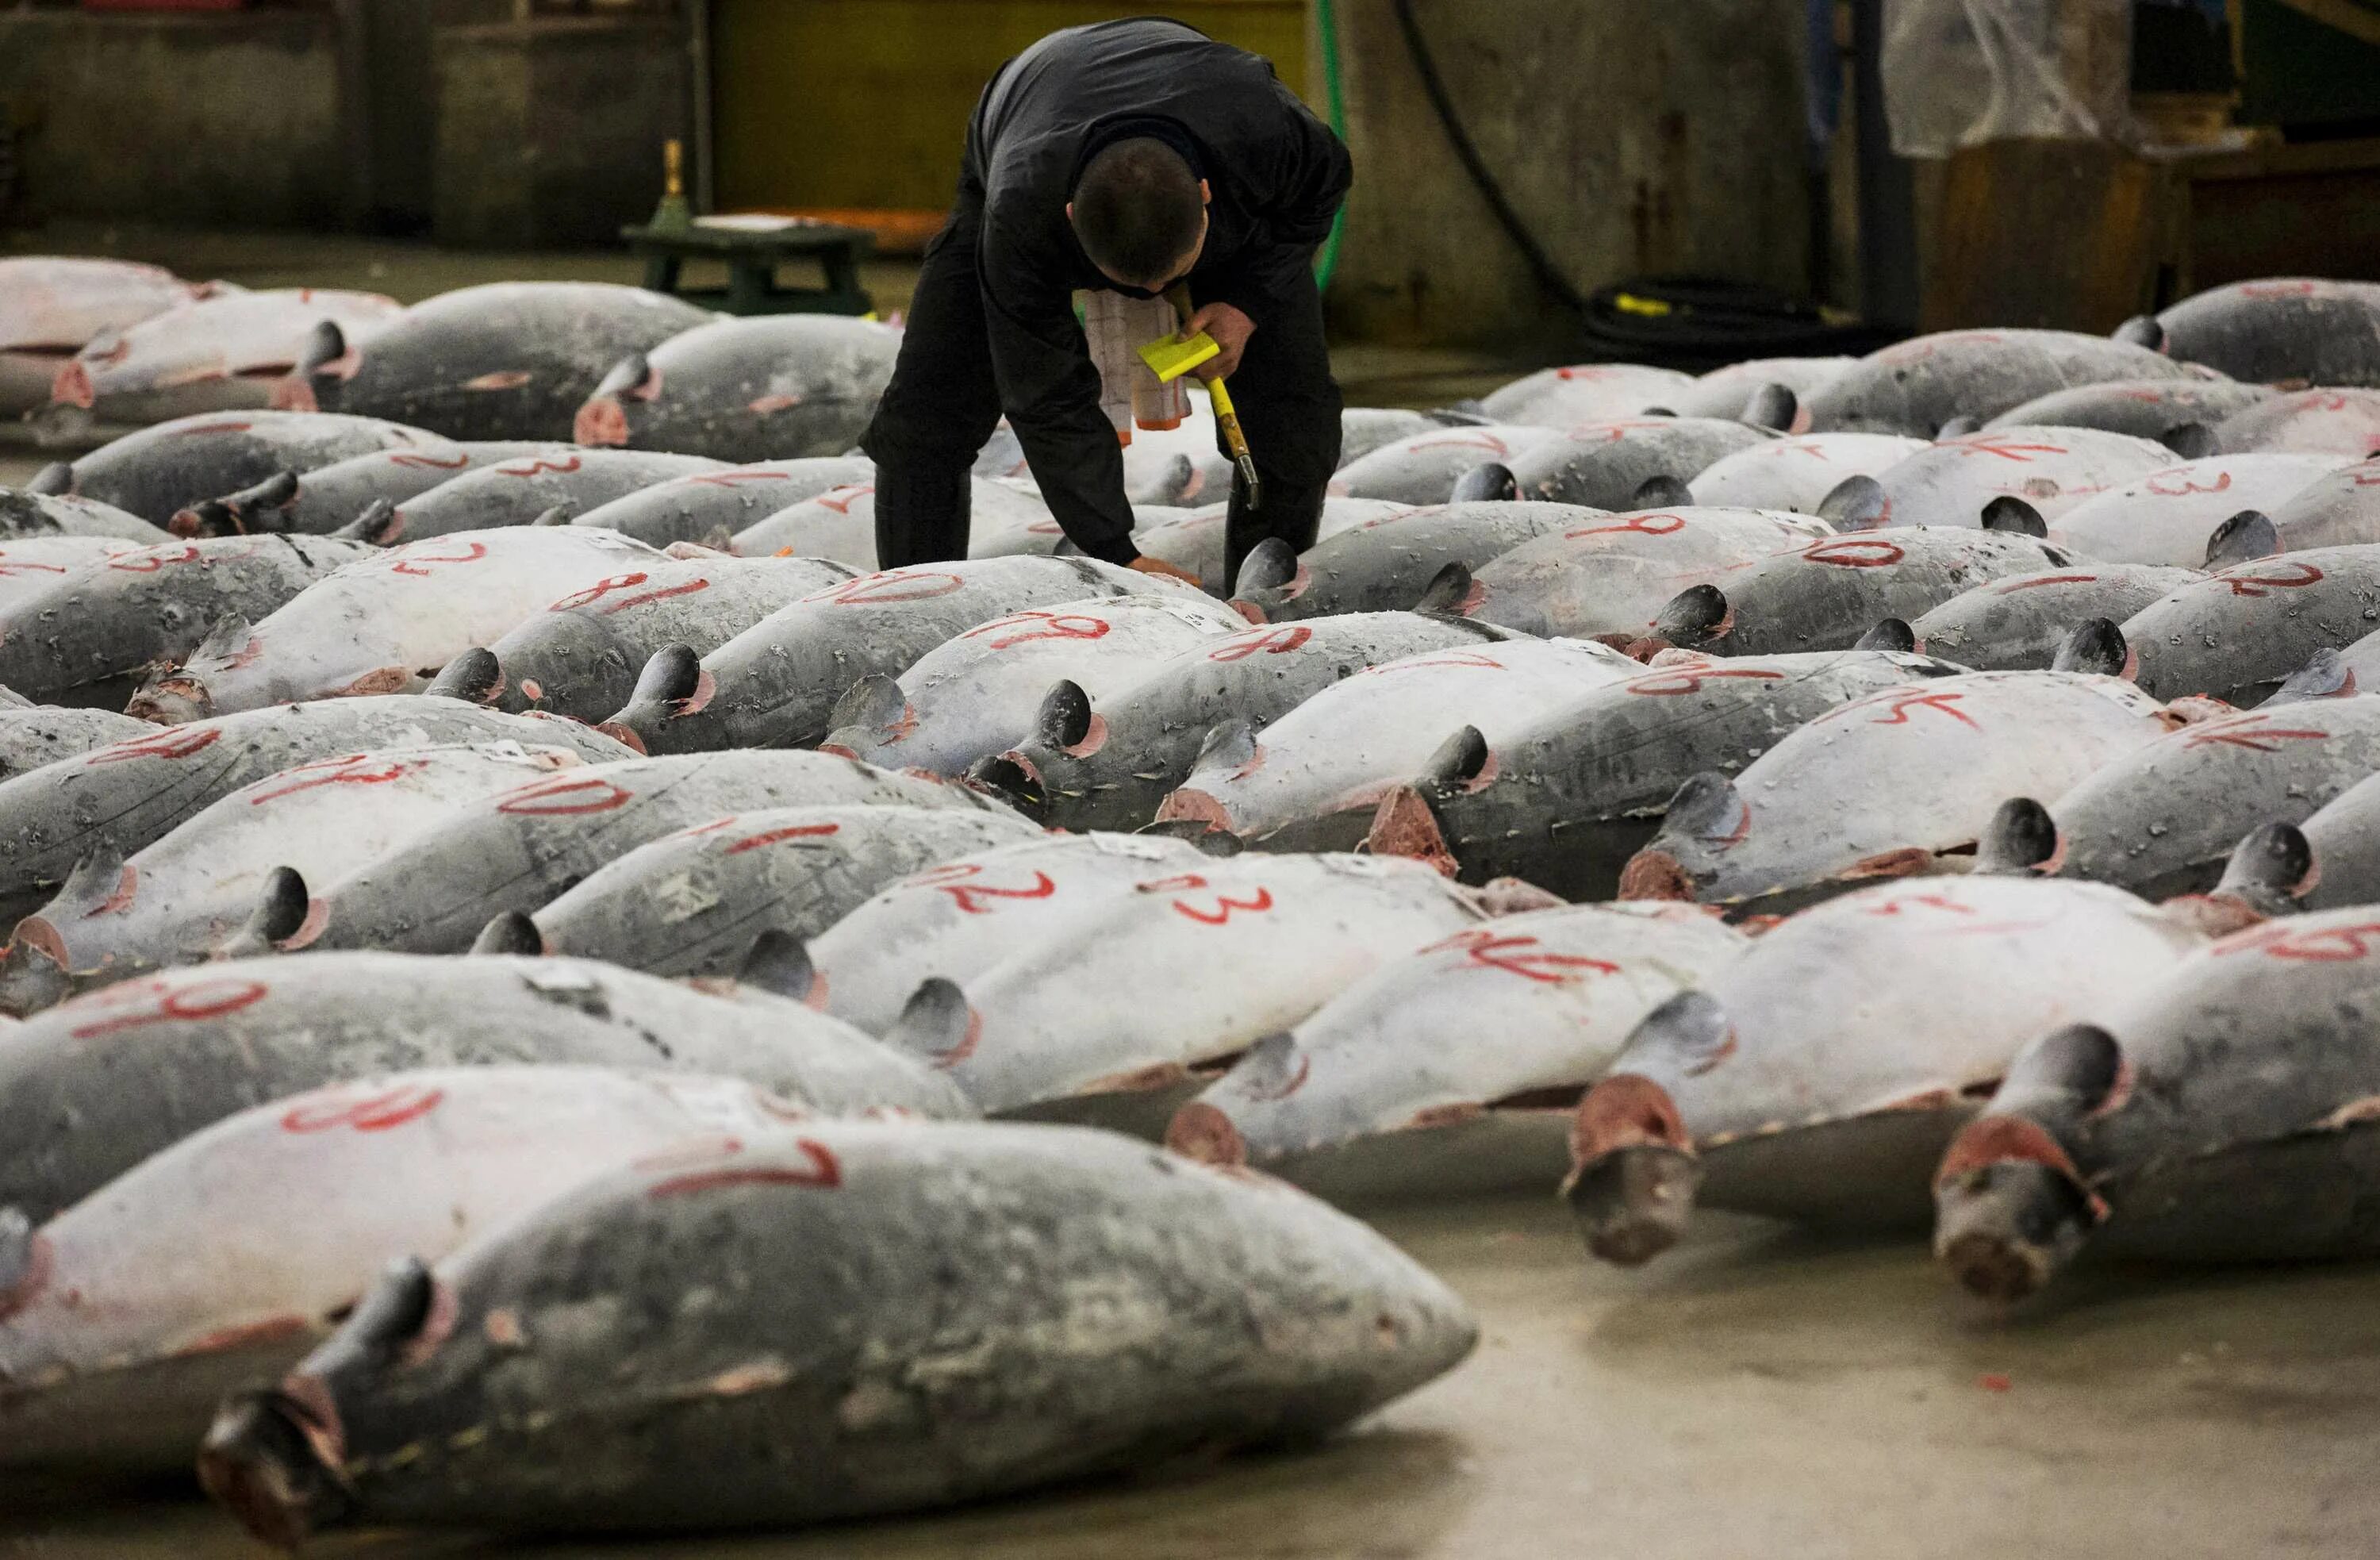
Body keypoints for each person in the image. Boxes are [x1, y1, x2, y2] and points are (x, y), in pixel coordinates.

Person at [860, 17, 1352, 588]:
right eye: (1126, 282)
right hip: (1025, 109)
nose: (1151, 300)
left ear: (1205, 196)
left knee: (1294, 419)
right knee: (927, 417)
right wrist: (1116, 551)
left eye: (1171, 277)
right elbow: (1046, 395)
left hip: (1200, 111)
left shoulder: (1268, 133)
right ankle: (914, 609)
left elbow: (1322, 191)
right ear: (1070, 219)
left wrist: (1247, 303)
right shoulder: (1021, 211)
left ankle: (1265, 602)